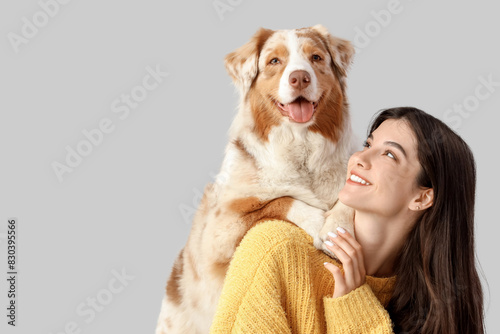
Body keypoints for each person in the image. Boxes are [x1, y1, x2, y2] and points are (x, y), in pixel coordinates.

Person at [208, 107, 485, 334]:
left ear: (423, 198)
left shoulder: (434, 307)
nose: (359, 158)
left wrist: (353, 310)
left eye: (389, 154)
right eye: (368, 144)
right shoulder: (275, 250)